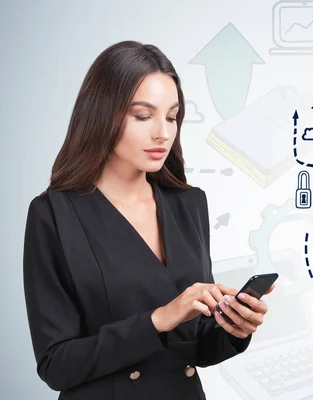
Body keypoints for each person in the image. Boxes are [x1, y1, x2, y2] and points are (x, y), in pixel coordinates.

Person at [22, 40, 273, 400]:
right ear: (102, 114)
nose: (163, 133)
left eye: (171, 116)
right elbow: (56, 364)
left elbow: (197, 347)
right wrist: (159, 319)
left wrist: (234, 327)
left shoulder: (188, 203)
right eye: (143, 116)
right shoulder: (54, 214)